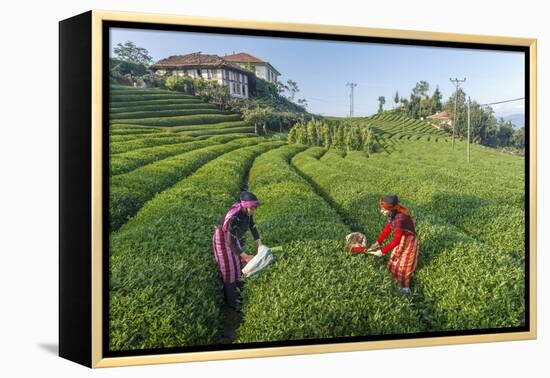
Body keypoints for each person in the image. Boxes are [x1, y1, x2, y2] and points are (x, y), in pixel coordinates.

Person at [212, 191, 263, 309]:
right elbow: (231, 242)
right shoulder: (234, 217)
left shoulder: (248, 213)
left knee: (236, 264)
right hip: (223, 238)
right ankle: (233, 303)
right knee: (229, 269)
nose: (254, 210)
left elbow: (252, 226)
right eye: (253, 208)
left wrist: (259, 243)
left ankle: (239, 292)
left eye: (255, 208)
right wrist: (245, 256)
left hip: (233, 237)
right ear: (246, 206)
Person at [368, 194, 419, 294]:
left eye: (383, 209)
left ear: (390, 209)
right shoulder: (391, 215)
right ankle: (395, 283)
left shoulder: (399, 218)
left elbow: (396, 241)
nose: (381, 211)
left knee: (404, 266)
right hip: (401, 239)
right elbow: (388, 228)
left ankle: (405, 289)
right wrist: (378, 242)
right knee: (394, 261)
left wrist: (382, 251)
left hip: (409, 241)